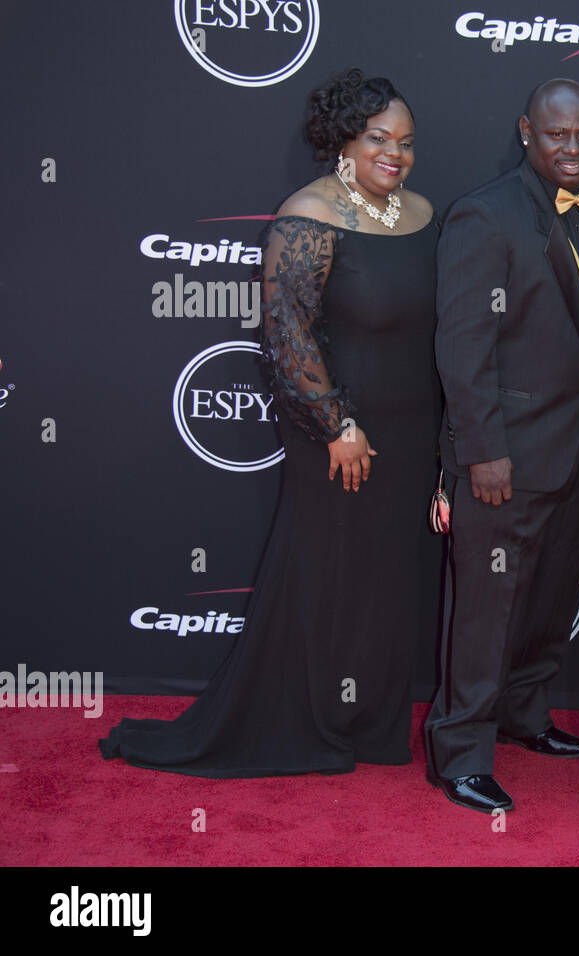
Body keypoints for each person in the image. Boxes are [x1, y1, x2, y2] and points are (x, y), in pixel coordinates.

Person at [99, 69, 441, 775]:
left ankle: (368, 724)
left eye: (406, 142)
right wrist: (336, 422)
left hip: (412, 434)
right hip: (340, 435)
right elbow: (287, 336)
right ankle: (303, 720)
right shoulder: (308, 214)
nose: (395, 154)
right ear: (343, 141)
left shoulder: (422, 214)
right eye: (379, 138)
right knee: (327, 574)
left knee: (387, 582)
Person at [426, 78, 579, 814]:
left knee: (547, 599)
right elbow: (463, 343)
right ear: (525, 132)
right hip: (504, 453)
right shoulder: (484, 215)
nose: (572, 149)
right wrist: (480, 448)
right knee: (485, 609)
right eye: (556, 135)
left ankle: (522, 713)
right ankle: (460, 752)